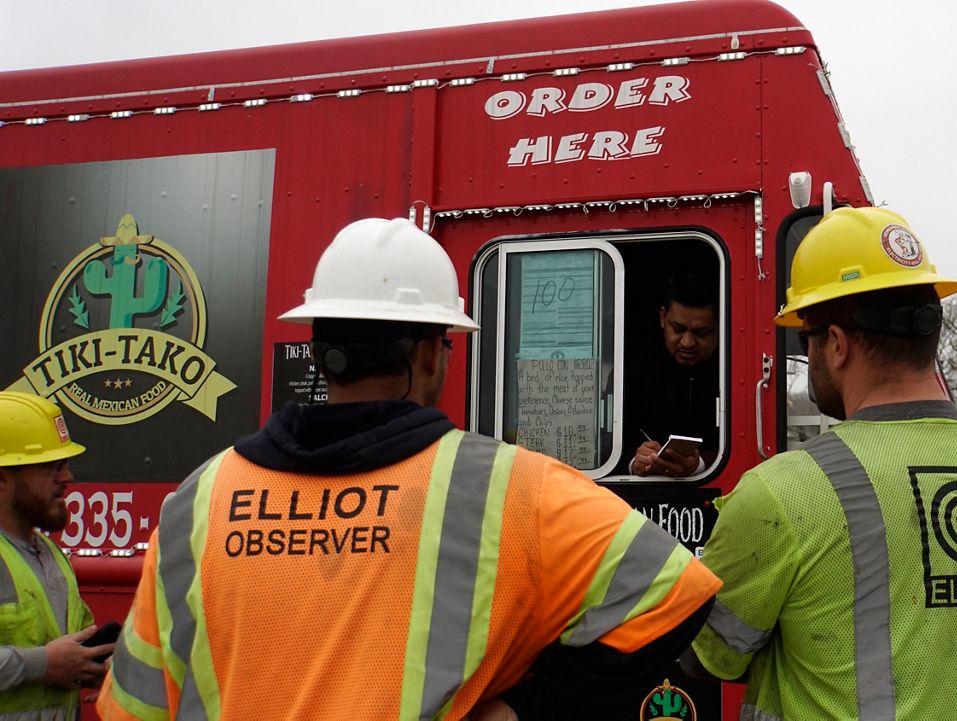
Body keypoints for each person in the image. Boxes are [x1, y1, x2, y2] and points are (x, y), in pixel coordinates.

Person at [97, 218, 721, 721]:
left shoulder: (195, 505)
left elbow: (132, 705)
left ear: (319, 350)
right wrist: (528, 709)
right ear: (429, 353)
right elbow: (679, 590)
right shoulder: (511, 489)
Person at [681, 207, 957, 719]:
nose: (804, 353)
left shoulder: (781, 493)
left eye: (803, 338)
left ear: (835, 344)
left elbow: (708, 657)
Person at [0, 391, 114, 718]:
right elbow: (51, 660)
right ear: (2, 477)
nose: (68, 478)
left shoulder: (51, 553)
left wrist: (96, 665)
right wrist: (45, 664)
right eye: (52, 466)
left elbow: (76, 640)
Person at [624, 268, 720, 478]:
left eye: (701, 333)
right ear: (662, 317)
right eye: (677, 329)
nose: (687, 342)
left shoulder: (735, 371)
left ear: (720, 327)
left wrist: (702, 465)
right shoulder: (632, 365)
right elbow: (609, 442)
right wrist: (635, 460)